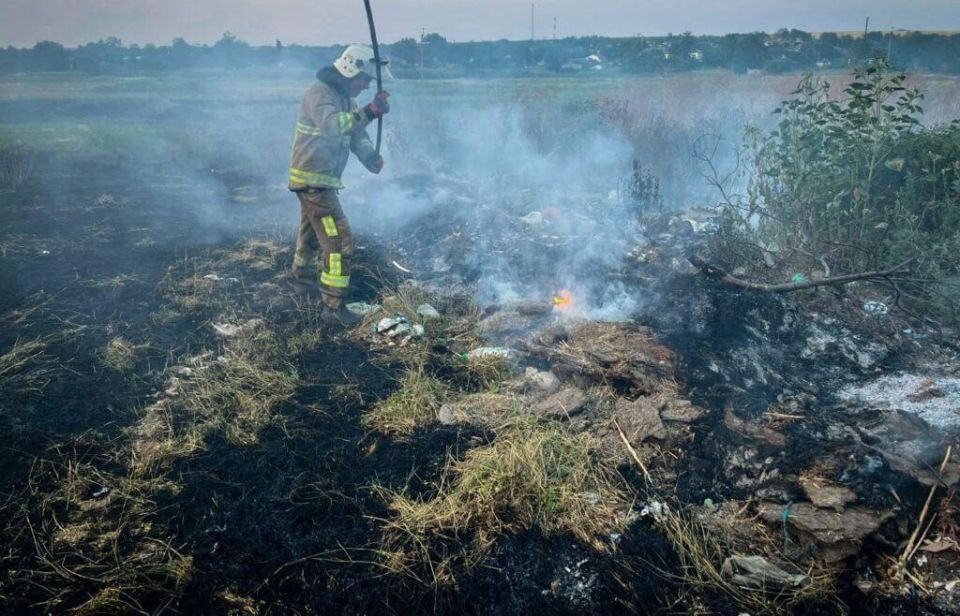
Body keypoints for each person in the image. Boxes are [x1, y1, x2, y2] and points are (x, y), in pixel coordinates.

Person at [287, 44, 391, 325]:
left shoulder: (345, 98)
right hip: (314, 181)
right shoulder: (319, 93)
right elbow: (333, 127)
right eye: (364, 80)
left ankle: (302, 286)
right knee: (338, 241)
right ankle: (333, 307)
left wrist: (369, 157)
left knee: (311, 236)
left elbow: (355, 134)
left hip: (317, 182)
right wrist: (371, 111)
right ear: (350, 70)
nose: (366, 86)